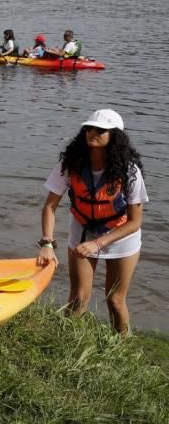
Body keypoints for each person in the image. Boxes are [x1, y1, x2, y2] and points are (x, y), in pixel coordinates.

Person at [37, 109, 147, 336]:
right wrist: (47, 244)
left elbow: (135, 222)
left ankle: (120, 351)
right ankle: (65, 343)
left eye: (100, 130)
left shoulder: (129, 171)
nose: (92, 133)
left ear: (115, 136)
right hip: (83, 233)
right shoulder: (70, 164)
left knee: (115, 301)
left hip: (121, 238)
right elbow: (50, 206)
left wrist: (99, 244)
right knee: (79, 297)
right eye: (88, 128)